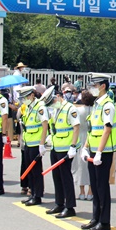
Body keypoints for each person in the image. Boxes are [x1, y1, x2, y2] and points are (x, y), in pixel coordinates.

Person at [80, 73, 116, 230]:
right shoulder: (97, 104)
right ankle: (95, 217)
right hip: (93, 150)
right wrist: (85, 147)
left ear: (103, 86)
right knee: (95, 186)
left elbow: (107, 130)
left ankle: (104, 221)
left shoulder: (108, 105)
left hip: (103, 152)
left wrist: (98, 152)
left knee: (102, 187)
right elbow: (92, 130)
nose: (92, 89)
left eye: (95, 86)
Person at [47, 90, 80, 218]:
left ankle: (70, 206)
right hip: (56, 147)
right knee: (57, 177)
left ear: (59, 97)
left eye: (52, 101)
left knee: (66, 177)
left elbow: (76, 127)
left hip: (66, 148)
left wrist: (73, 146)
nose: (52, 104)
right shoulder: (56, 109)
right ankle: (59, 203)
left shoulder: (70, 108)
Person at [19, 86, 50, 206]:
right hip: (28, 142)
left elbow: (45, 124)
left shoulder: (40, 107)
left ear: (32, 95)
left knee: (36, 171)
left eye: (26, 96)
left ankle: (37, 195)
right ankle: (32, 194)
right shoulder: (28, 107)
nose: (24, 99)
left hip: (36, 143)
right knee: (29, 170)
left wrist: (42, 144)